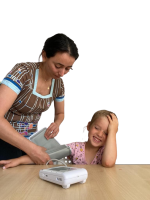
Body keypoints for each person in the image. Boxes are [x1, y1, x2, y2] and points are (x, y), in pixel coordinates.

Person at [0, 33, 79, 165]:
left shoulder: (59, 84)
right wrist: (32, 149)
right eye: (58, 66)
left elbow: (60, 113)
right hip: (6, 139)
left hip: (32, 140)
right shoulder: (23, 72)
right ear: (44, 55)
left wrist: (57, 123)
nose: (62, 73)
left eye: (68, 69)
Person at [0, 109, 119, 169]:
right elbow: (47, 155)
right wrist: (19, 160)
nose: (100, 134)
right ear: (88, 126)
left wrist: (113, 131)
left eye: (107, 133)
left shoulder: (105, 152)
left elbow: (108, 163)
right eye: (97, 128)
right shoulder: (75, 148)